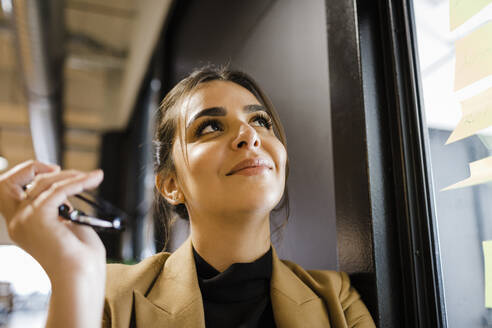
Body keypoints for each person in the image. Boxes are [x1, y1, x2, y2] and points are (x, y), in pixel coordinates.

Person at [0, 66, 376, 327]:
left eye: (260, 120)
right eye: (210, 126)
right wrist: (73, 274)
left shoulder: (336, 298)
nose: (250, 135)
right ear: (170, 184)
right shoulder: (110, 294)